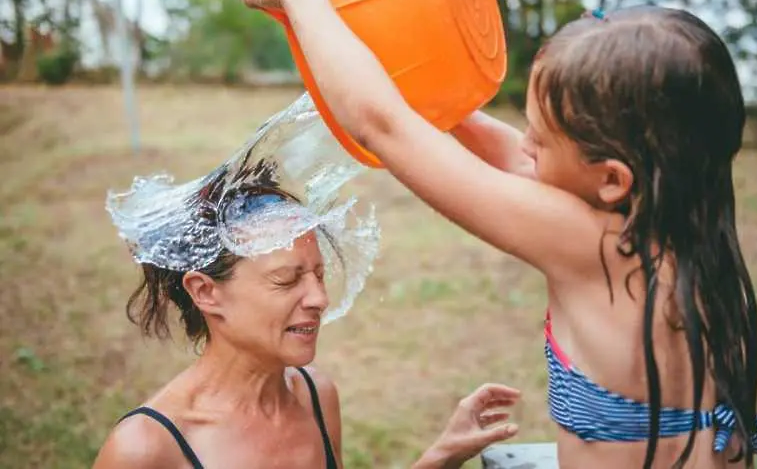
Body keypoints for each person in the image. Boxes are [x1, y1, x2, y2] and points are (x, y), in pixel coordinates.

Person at [229, 0, 757, 469]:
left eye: (540, 139)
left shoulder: (598, 251)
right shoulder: (684, 233)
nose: (523, 147)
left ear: (612, 178)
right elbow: (481, 144)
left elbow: (385, 128)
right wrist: (367, 41)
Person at [93, 180, 522, 469]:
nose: (319, 299)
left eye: (318, 274)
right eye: (286, 279)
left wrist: (441, 456)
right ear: (206, 292)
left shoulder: (316, 395)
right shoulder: (146, 449)